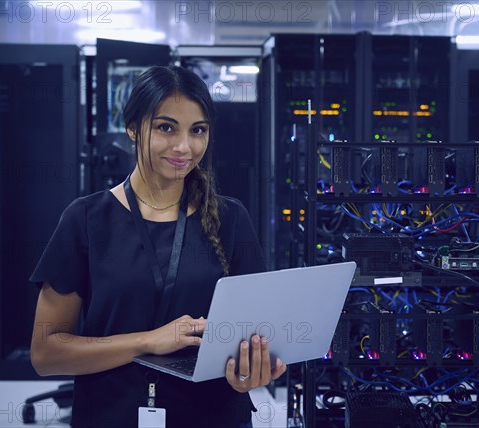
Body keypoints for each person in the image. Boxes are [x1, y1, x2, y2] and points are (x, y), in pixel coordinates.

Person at [29, 65, 286, 428]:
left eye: (198, 130)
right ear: (133, 128)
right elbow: (46, 353)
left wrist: (252, 370)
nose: (185, 147)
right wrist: (148, 341)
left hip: (213, 416)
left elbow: (256, 336)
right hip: (112, 415)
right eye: (166, 127)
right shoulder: (85, 220)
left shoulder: (231, 218)